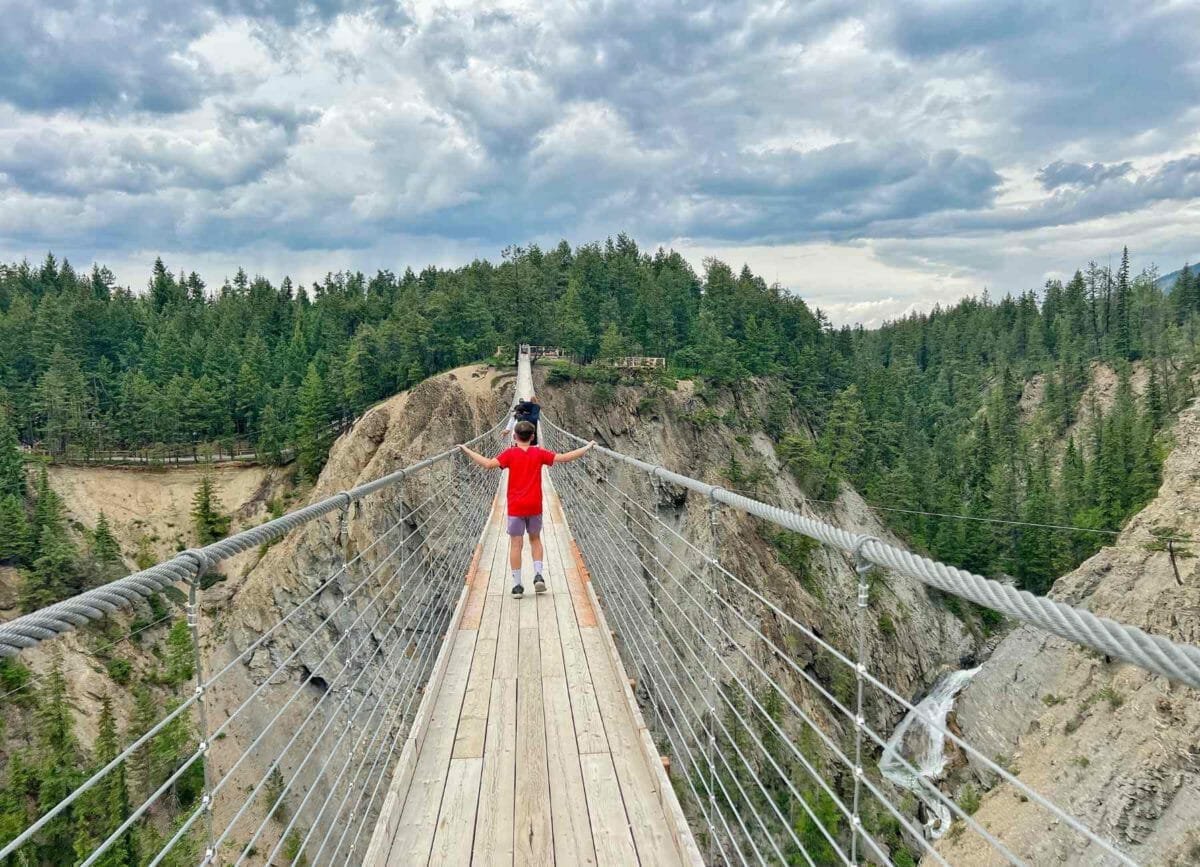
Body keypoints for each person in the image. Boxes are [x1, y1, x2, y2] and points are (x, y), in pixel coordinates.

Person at [459, 421, 594, 597]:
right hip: (534, 505)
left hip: (516, 507)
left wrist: (466, 450)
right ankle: (538, 575)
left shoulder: (509, 454)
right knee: (535, 540)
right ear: (532, 437)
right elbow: (565, 457)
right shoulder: (539, 453)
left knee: (516, 544)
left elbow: (488, 464)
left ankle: (517, 586)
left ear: (514, 436)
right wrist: (587, 447)